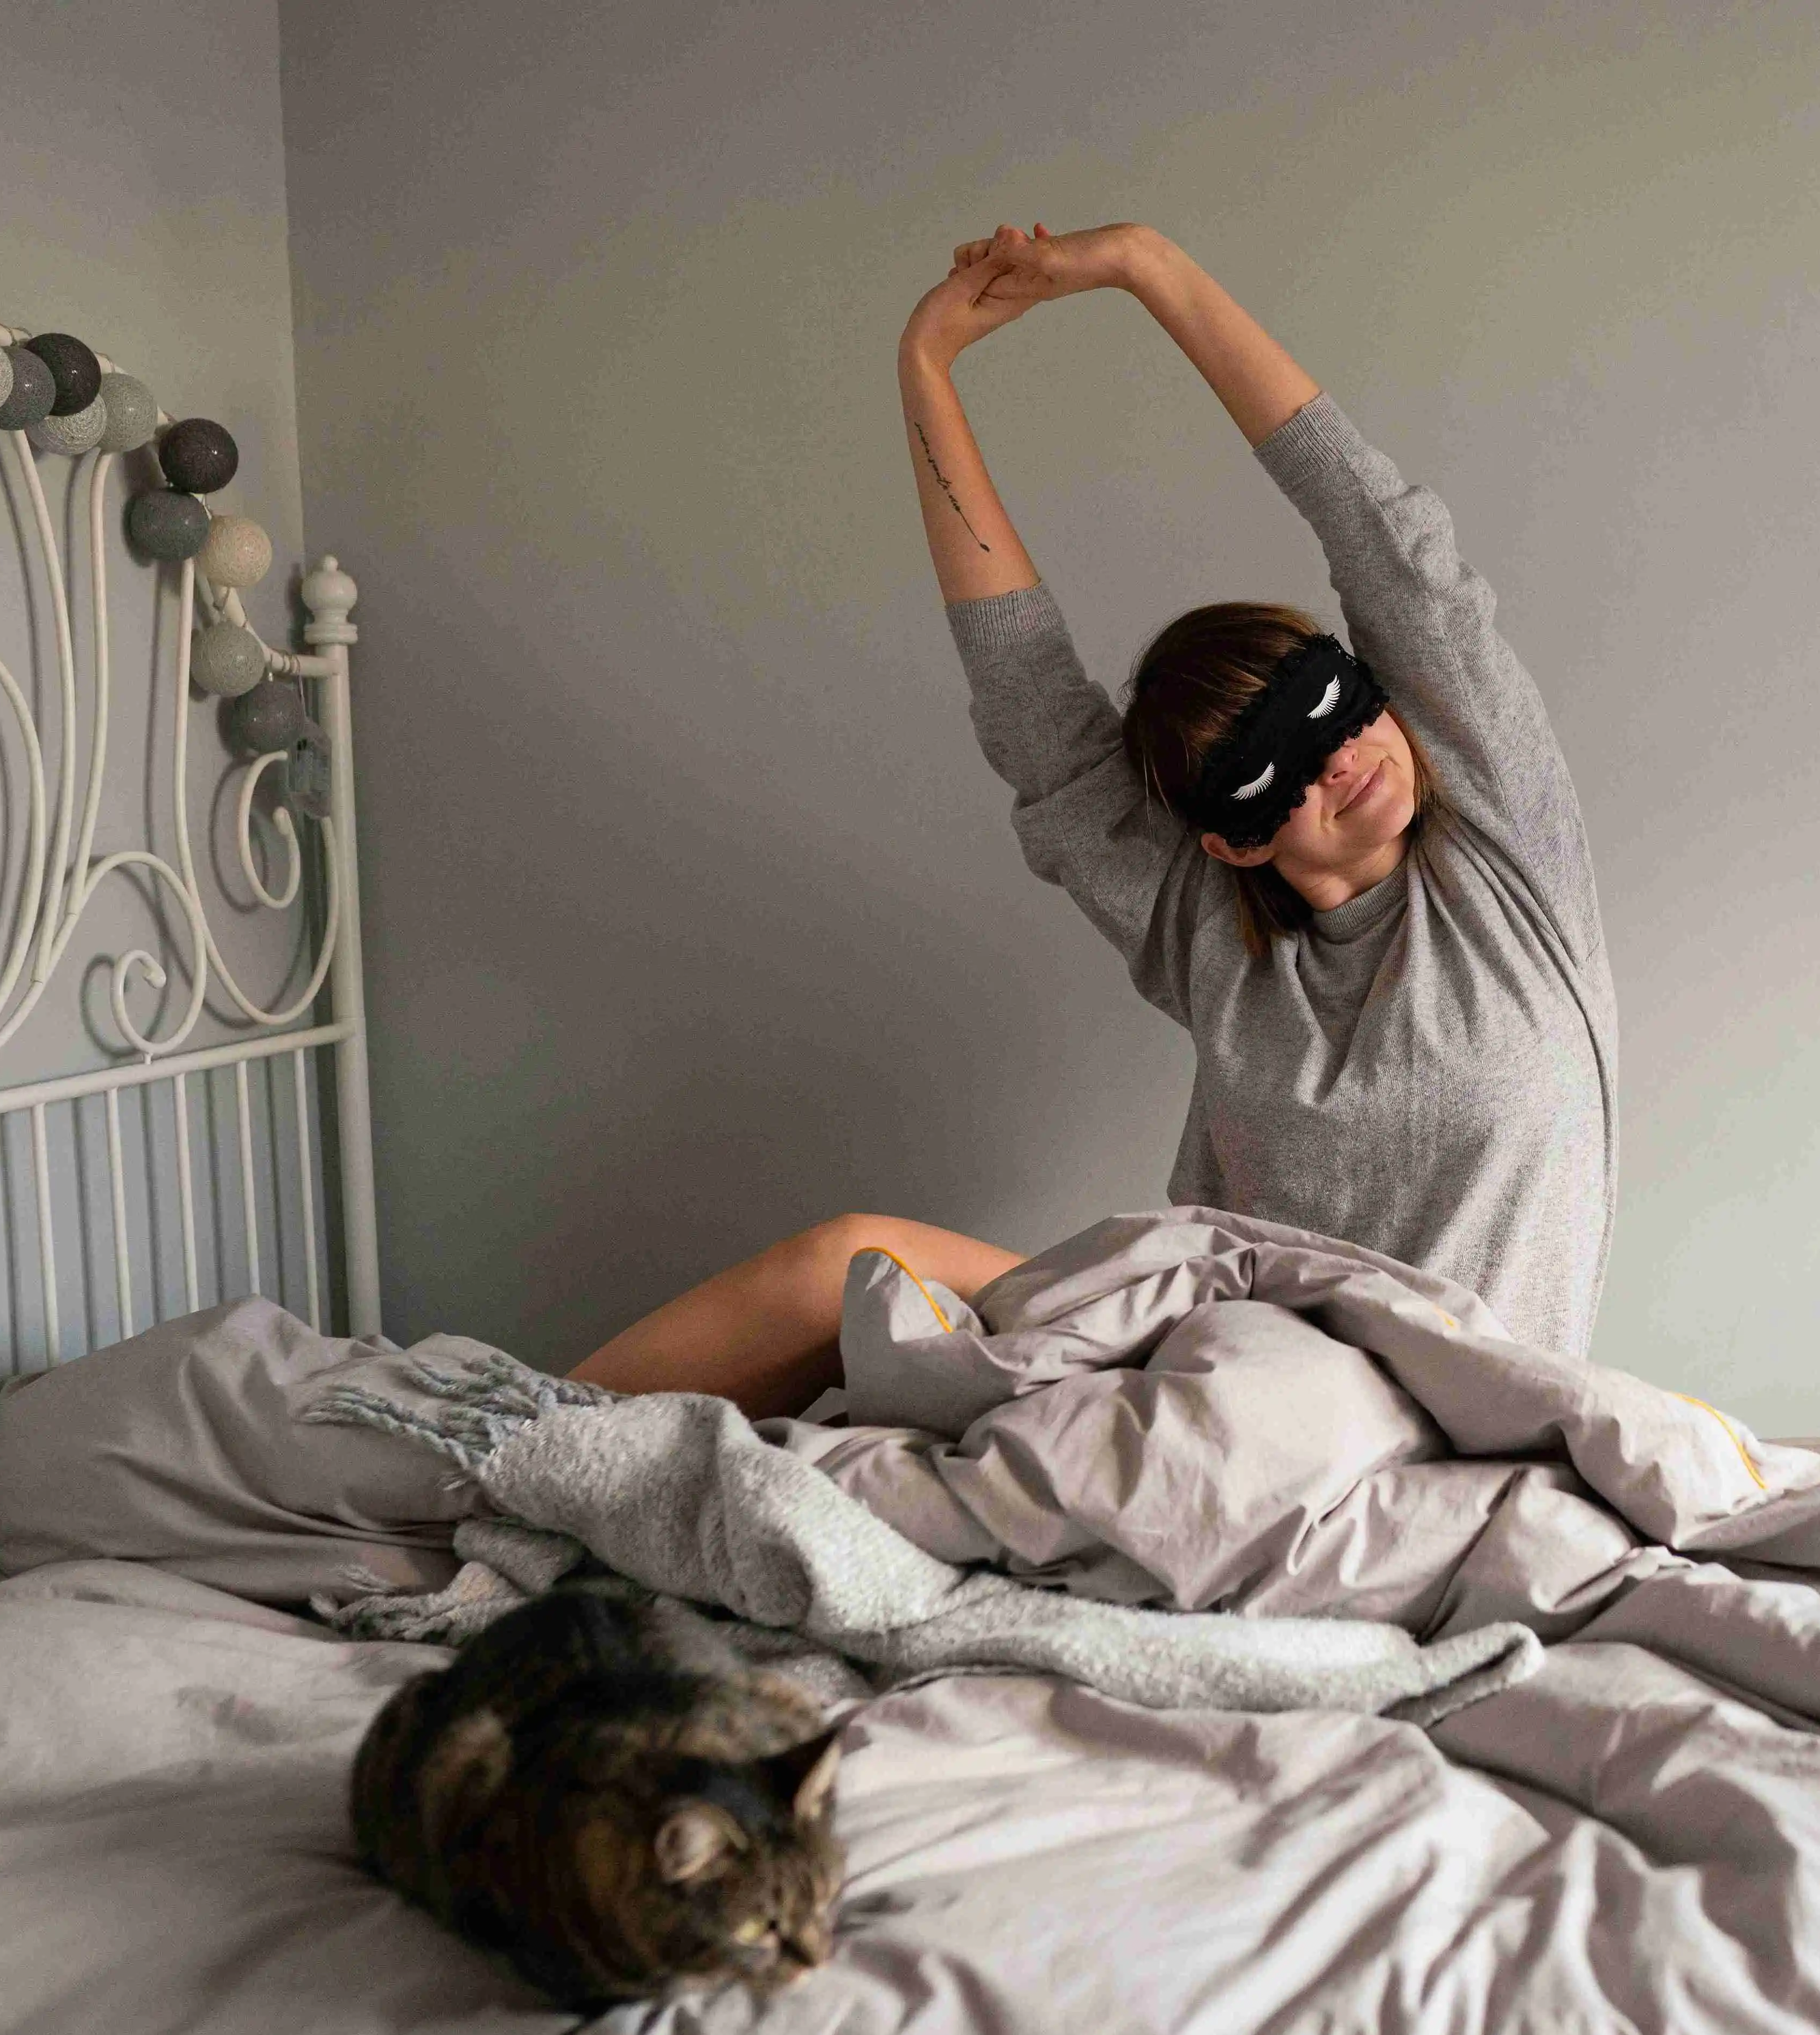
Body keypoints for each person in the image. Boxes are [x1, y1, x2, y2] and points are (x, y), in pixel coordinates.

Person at [571, 222, 1614, 1418]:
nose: (1342, 762)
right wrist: (926, 369)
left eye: (1342, 710)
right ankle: (481, 1446)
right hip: (1219, 1380)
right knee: (841, 1263)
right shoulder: (1210, 938)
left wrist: (1147, 267)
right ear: (1231, 839)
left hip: (1399, 1436)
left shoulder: (1507, 866)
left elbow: (1383, 539)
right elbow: (1031, 707)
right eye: (1283, 766)